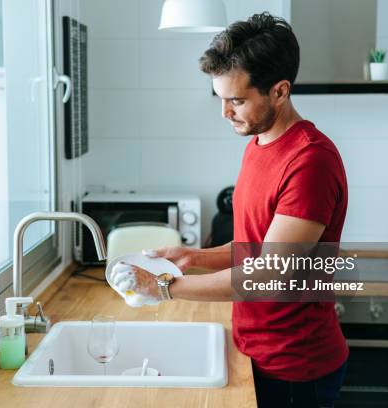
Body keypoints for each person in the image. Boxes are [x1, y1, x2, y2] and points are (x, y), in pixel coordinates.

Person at [111, 13, 349, 408]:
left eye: (236, 100)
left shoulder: (310, 161)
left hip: (294, 367)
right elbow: (255, 245)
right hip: (255, 349)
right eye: (220, 98)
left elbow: (268, 273)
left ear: (279, 91)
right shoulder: (258, 144)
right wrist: (194, 257)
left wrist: (165, 288)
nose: (225, 113)